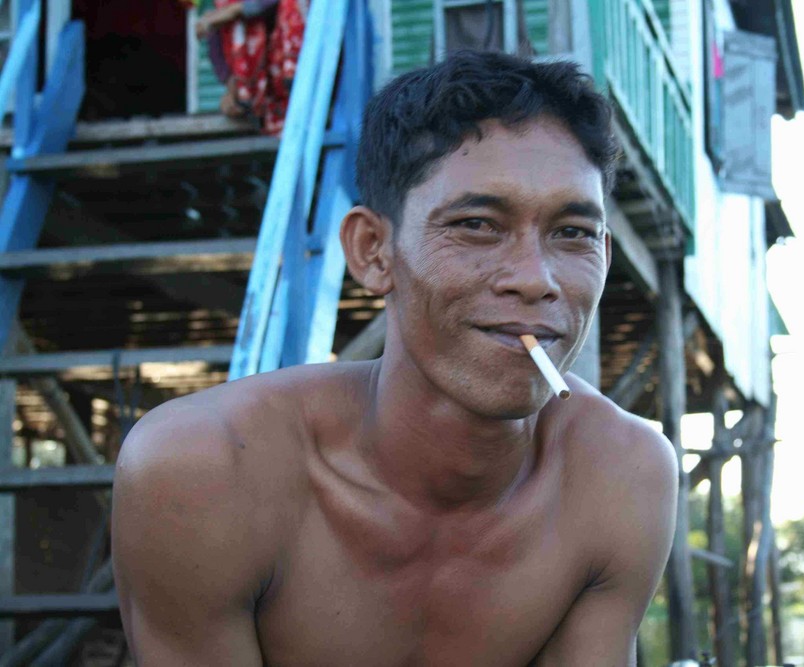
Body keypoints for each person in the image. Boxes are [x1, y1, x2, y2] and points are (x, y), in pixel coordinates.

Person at [111, 50, 678, 665]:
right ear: (374, 251)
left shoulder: (620, 476)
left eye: (572, 233)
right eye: (477, 224)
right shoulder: (207, 471)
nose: (536, 279)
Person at [195, 0, 308, 135]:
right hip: (260, 89)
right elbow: (214, 24)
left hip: (297, 70)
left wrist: (235, 10)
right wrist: (231, 86)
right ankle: (244, 93)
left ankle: (292, 79)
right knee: (222, 14)